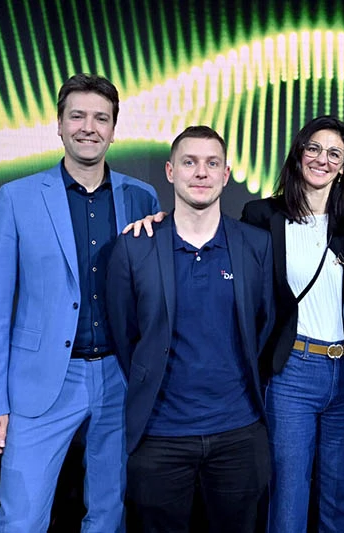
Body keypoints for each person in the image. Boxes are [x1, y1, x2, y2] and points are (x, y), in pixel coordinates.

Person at [0, 73, 160, 531]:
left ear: (114, 128)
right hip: (43, 383)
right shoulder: (16, 199)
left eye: (101, 118)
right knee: (21, 519)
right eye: (77, 116)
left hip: (119, 377)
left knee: (109, 514)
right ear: (59, 124)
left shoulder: (142, 198)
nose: (88, 127)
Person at [106, 125, 275, 532]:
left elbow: (265, 325)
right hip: (160, 437)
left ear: (225, 174)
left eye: (211, 163)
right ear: (170, 171)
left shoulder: (256, 245)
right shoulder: (134, 246)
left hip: (238, 433)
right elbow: (125, 334)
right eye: (189, 162)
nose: (201, 172)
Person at [240, 116, 344, 532]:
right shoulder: (262, 215)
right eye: (313, 149)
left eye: (334, 153)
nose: (322, 159)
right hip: (293, 368)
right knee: (288, 491)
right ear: (298, 155)